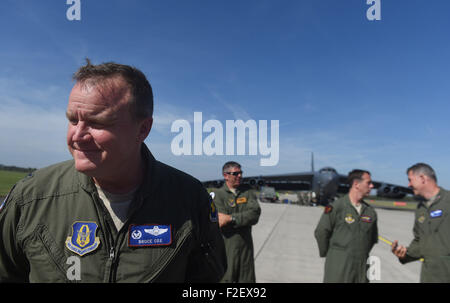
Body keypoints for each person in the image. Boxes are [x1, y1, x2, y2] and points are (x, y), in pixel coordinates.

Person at [0, 59, 226, 282]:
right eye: (72, 120)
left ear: (143, 129)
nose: (77, 136)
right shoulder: (31, 197)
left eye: (97, 122)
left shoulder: (190, 199)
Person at [314, 169, 378, 283]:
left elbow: (372, 239)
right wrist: (333, 254)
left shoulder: (370, 212)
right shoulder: (336, 207)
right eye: (368, 183)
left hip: (361, 270)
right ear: (356, 184)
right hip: (339, 268)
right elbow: (321, 232)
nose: (372, 186)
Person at [391, 163, 450, 282]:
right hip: (429, 277)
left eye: (410, 180)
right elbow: (419, 241)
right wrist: (405, 254)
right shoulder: (421, 209)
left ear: (423, 178)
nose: (408, 184)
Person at [210, 162, 261, 283]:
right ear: (226, 175)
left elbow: (254, 214)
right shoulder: (218, 194)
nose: (240, 176)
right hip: (227, 246)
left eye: (240, 173)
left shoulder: (247, 192)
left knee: (246, 280)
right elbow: (221, 220)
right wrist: (242, 219)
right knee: (225, 278)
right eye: (236, 173)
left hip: (245, 246)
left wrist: (231, 218)